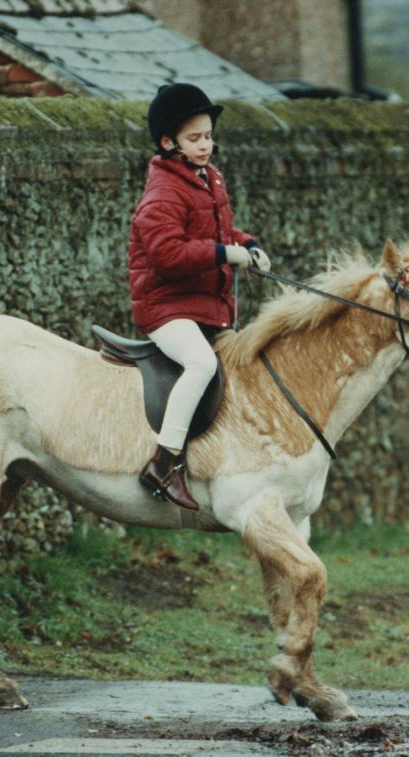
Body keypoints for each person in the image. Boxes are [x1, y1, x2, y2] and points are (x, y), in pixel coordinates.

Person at [128, 82, 270, 511]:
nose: (206, 144)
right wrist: (227, 254)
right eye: (195, 138)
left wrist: (250, 244)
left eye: (208, 135)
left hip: (201, 306)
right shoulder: (163, 192)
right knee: (202, 363)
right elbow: (167, 254)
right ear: (169, 143)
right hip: (164, 306)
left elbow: (221, 233)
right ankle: (164, 460)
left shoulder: (209, 178)